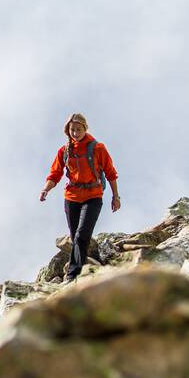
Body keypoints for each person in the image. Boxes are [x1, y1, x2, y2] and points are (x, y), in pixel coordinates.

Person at [39, 113, 120, 282]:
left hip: (93, 196)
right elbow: (55, 174)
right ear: (68, 131)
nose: (75, 133)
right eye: (72, 130)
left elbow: (111, 173)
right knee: (75, 235)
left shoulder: (98, 148)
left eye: (78, 129)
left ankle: (72, 274)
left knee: (81, 235)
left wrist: (115, 196)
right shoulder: (64, 151)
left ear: (85, 128)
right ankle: (83, 272)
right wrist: (46, 190)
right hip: (71, 198)